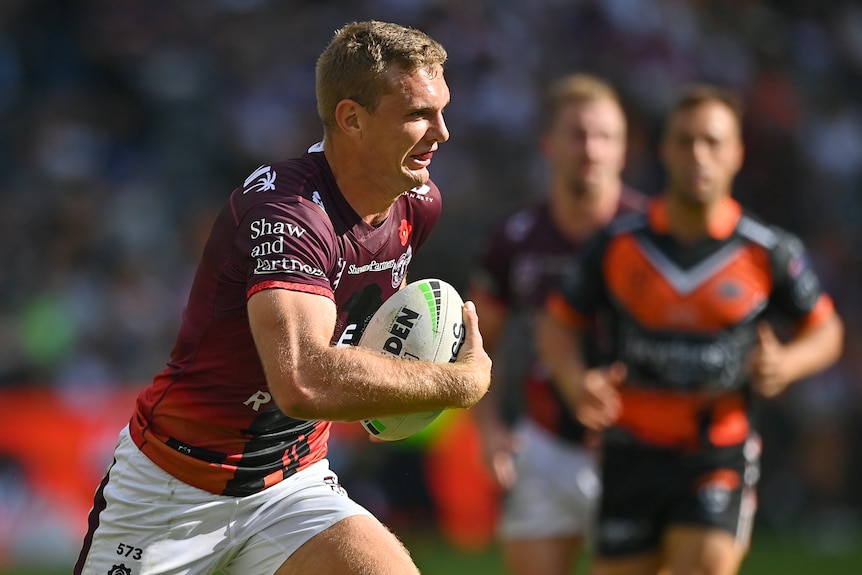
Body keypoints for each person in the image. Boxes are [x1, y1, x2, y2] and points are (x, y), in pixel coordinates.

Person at [74, 20, 492, 575]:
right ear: (351, 119)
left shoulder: (417, 203)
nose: (441, 132)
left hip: (292, 485)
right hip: (174, 490)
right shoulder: (288, 214)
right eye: (417, 114)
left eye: (443, 111)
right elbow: (302, 380)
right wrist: (457, 382)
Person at [537, 84, 844, 575]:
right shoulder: (618, 246)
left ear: (737, 154)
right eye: (685, 141)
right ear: (665, 151)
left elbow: (827, 332)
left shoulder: (768, 251)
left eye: (712, 141)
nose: (698, 154)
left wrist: (788, 363)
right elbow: (557, 323)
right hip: (630, 451)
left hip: (716, 449)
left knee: (703, 565)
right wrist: (576, 383)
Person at [467, 73, 647, 575]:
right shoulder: (515, 239)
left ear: (623, 150)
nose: (591, 148)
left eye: (605, 135)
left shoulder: (654, 234)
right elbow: (480, 343)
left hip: (637, 448)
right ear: (548, 144)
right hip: (544, 444)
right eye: (577, 134)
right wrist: (489, 428)